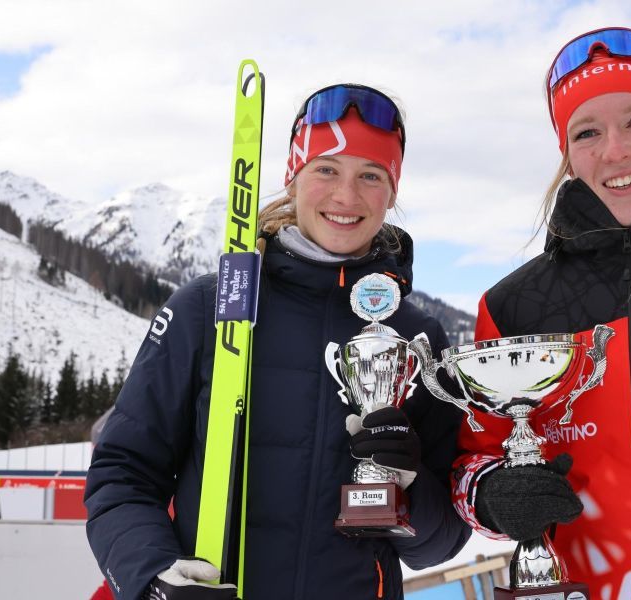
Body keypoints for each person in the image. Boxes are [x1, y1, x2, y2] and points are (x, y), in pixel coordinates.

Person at [85, 83, 471, 600]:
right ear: (293, 178)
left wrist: (408, 483)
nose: (346, 196)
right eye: (326, 170)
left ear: (392, 192)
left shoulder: (417, 336)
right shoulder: (208, 308)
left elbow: (439, 545)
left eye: (370, 175)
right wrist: (152, 573)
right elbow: (122, 473)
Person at [452, 27, 631, 599]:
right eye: (587, 132)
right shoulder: (514, 306)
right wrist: (491, 496)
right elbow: (472, 461)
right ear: (567, 156)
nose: (615, 151)